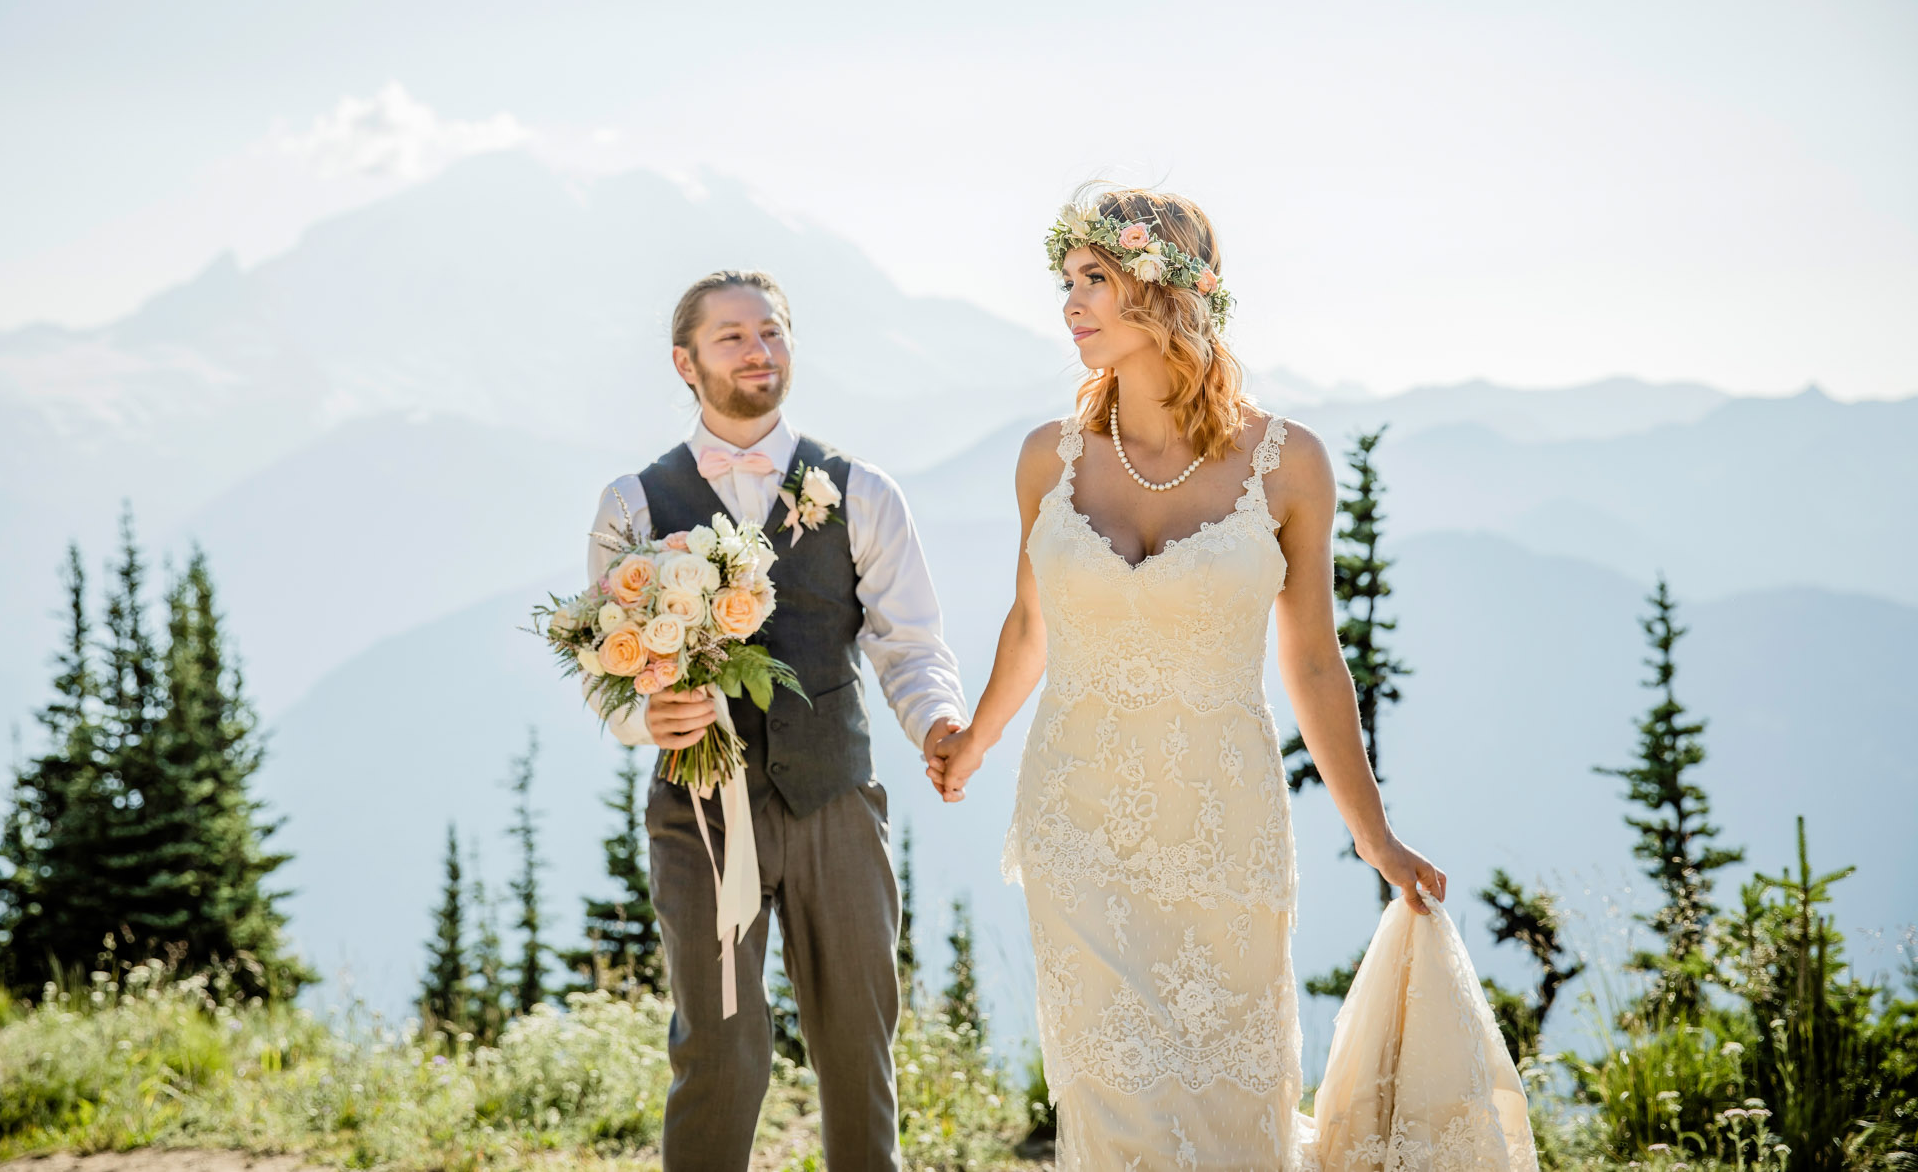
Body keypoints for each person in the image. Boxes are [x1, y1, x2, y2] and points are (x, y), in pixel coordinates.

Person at [928, 188, 1535, 1170]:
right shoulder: (1048, 458)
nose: (1070, 305)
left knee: (1229, 1113)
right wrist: (972, 741)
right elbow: (1031, 621)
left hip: (1222, 831)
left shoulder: (1287, 465)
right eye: (1066, 282)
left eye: (1096, 280)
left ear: (1168, 292)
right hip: (1075, 826)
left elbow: (1309, 658)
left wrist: (1371, 832)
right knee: (1116, 1105)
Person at [586, 269, 967, 1172]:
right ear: (685, 362)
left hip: (836, 798)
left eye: (773, 332)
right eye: (734, 336)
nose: (760, 350)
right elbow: (605, 680)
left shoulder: (861, 489)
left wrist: (939, 723)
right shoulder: (632, 504)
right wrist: (650, 716)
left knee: (856, 1040)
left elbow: (910, 644)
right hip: (700, 811)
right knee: (718, 1046)